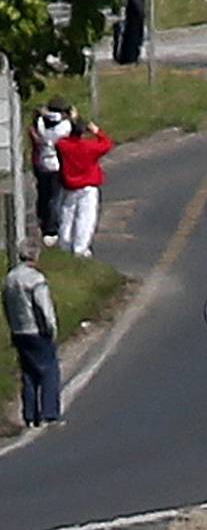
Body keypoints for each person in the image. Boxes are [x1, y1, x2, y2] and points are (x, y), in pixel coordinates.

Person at [4, 246, 61, 427]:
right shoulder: (36, 280)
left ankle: (30, 415)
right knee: (49, 371)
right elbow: (43, 306)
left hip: (19, 331)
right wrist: (51, 327)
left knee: (28, 373)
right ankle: (49, 413)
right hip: (36, 330)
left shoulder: (10, 278)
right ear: (34, 256)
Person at [55, 117, 113, 261]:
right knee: (85, 219)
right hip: (88, 187)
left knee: (66, 217)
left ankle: (64, 244)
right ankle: (80, 249)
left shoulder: (63, 145)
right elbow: (107, 144)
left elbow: (58, 141)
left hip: (70, 186)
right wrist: (97, 131)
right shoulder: (89, 147)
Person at [30, 101, 71, 239]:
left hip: (42, 163)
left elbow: (36, 124)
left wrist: (40, 114)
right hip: (56, 164)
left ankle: (43, 221)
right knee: (55, 197)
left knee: (43, 195)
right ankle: (51, 228)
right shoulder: (63, 127)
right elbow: (72, 124)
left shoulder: (41, 124)